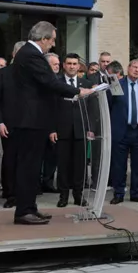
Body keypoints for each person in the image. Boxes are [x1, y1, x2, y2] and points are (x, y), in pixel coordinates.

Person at [1, 23, 85, 224]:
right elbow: (50, 82)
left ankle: (30, 207)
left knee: (32, 167)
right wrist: (78, 91)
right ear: (44, 38)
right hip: (30, 120)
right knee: (28, 167)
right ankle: (24, 211)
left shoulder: (29, 53)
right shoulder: (31, 54)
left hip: (33, 119)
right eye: (52, 40)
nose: (53, 44)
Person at [109, 59, 138, 204]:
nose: (136, 70)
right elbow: (110, 105)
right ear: (128, 68)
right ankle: (119, 193)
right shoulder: (116, 84)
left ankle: (136, 193)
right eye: (134, 67)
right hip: (121, 130)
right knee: (119, 165)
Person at [0, 42, 26, 208]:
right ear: (13, 54)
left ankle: (25, 194)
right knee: (10, 159)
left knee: (26, 161)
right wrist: (0, 122)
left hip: (29, 124)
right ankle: (10, 194)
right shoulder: (3, 74)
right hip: (9, 125)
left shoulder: (32, 73)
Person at [55, 53, 88, 208]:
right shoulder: (57, 83)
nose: (72, 66)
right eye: (69, 63)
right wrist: (52, 129)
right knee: (63, 165)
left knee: (79, 165)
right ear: (64, 65)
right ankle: (63, 196)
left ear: (79, 66)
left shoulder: (85, 84)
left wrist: (90, 128)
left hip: (81, 130)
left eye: (75, 64)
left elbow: (91, 109)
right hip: (62, 130)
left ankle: (78, 195)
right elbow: (51, 107)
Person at [39, 52, 63, 194]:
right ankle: (36, 183)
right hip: (41, 123)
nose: (57, 67)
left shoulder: (59, 80)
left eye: (58, 64)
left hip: (56, 123)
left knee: (52, 156)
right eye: (54, 64)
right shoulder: (41, 81)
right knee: (39, 156)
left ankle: (48, 182)